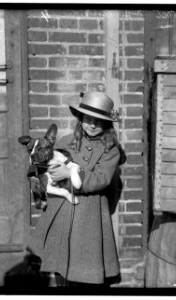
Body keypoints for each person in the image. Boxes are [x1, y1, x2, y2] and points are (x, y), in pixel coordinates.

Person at [27, 92, 126, 287]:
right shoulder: (66, 141)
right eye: (88, 119)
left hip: (89, 217)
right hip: (60, 213)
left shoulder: (111, 150)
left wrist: (68, 174)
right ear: (80, 118)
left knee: (84, 274)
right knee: (60, 270)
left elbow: (101, 179)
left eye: (98, 121)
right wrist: (40, 185)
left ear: (107, 123)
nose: (92, 124)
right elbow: (40, 166)